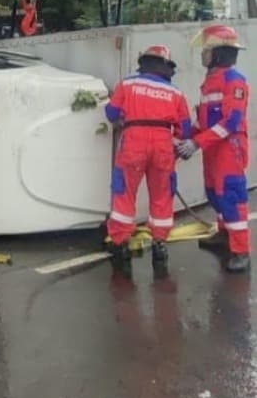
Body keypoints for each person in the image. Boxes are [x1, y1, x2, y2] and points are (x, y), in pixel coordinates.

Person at [105, 45, 192, 275]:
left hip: (134, 140)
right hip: (163, 144)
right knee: (162, 196)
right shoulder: (176, 93)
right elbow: (185, 129)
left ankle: (120, 244)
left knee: (124, 193)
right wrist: (174, 141)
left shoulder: (127, 84)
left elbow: (112, 113)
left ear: (143, 63)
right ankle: (160, 246)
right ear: (167, 68)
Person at [176, 25, 250, 273]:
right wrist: (185, 138)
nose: (202, 56)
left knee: (230, 196)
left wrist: (196, 142)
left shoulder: (234, 81)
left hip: (229, 147)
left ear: (218, 54)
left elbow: (230, 122)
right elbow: (203, 120)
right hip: (213, 147)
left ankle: (241, 251)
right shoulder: (210, 82)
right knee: (214, 193)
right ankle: (223, 234)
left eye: (206, 51)